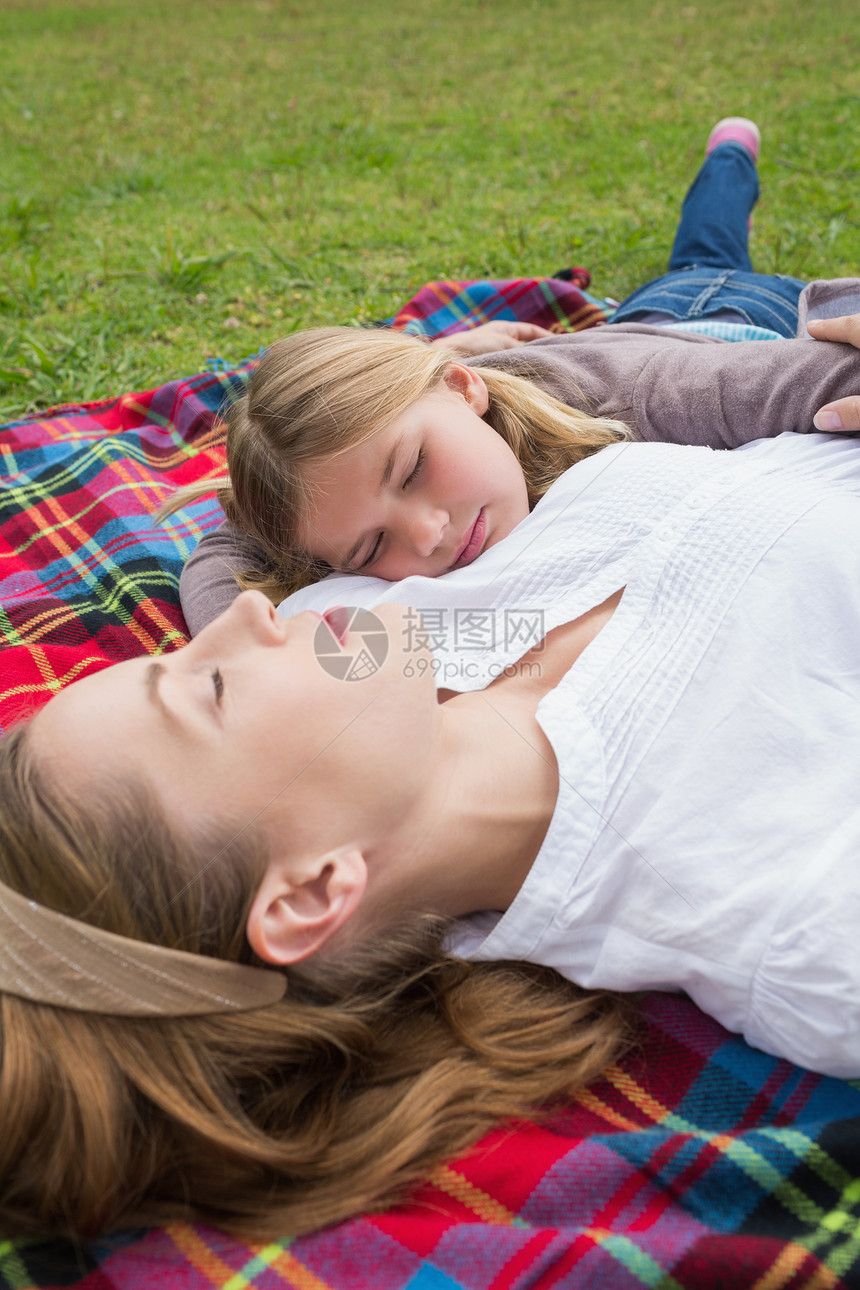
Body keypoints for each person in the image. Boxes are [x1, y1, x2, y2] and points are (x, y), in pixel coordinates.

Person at [5, 417, 860, 1241]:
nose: (244, 618)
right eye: (209, 689)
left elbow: (263, 519)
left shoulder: (373, 621)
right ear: (312, 890)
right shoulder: (795, 922)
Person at [175, 118, 860, 634]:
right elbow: (225, 551)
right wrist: (241, 648)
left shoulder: (638, 394)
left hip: (725, 322)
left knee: (709, 251)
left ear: (462, 387)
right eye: (371, 546)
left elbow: (802, 379)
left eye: (413, 469)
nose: (428, 534)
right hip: (609, 330)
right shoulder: (337, 497)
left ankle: (731, 152)